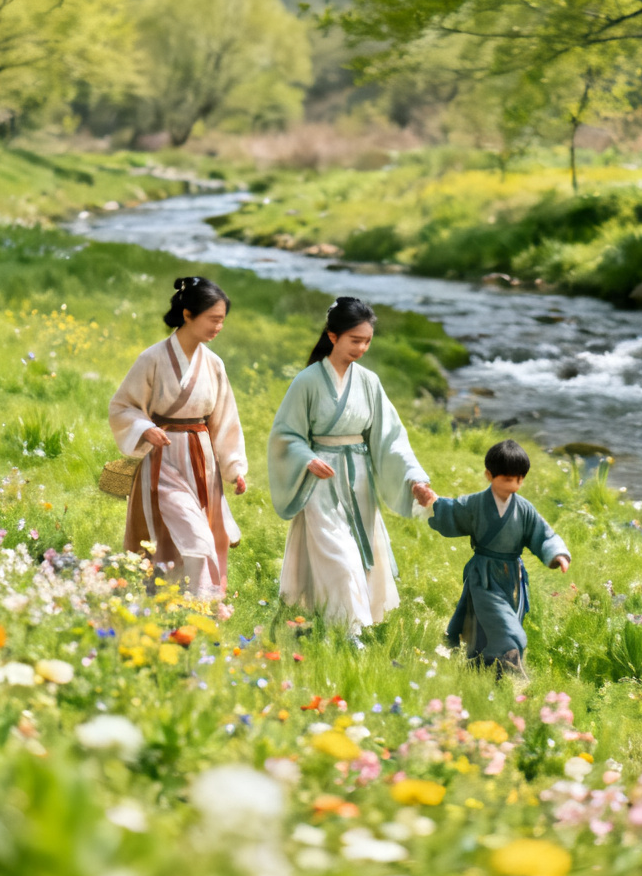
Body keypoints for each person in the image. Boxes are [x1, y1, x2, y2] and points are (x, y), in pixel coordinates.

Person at [268, 297, 436, 642]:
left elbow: (391, 438)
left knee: (358, 553)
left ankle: (335, 623)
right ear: (333, 336)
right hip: (319, 481)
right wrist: (306, 458)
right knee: (338, 556)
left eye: (367, 341)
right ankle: (349, 631)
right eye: (354, 340)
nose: (361, 348)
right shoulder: (307, 381)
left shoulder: (370, 382)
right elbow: (286, 434)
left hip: (359, 482)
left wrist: (414, 477)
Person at [109, 276, 247, 599]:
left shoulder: (214, 365)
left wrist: (235, 467)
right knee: (185, 532)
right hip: (163, 460)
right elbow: (122, 407)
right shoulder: (152, 359)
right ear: (188, 315)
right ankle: (173, 596)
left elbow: (225, 420)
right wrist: (145, 429)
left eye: (222, 321)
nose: (218, 327)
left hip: (201, 463)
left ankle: (193, 601)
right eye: (213, 319)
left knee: (199, 532)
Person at [427, 439, 570, 677]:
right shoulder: (475, 504)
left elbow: (543, 534)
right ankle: (512, 662)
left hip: (512, 576)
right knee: (503, 622)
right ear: (489, 475)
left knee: (489, 620)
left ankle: (482, 664)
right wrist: (432, 503)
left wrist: (557, 554)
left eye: (519, 479)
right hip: (483, 575)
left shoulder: (524, 509)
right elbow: (451, 512)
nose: (514, 485)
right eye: (507, 479)